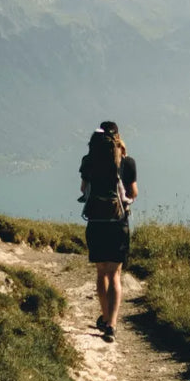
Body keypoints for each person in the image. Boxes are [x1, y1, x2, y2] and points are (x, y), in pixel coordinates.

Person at [78, 121, 138, 342]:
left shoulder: (88, 161)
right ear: (118, 137)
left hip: (95, 221)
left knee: (101, 272)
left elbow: (84, 189)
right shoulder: (127, 162)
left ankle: (104, 317)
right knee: (115, 274)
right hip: (117, 223)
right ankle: (111, 324)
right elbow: (133, 193)